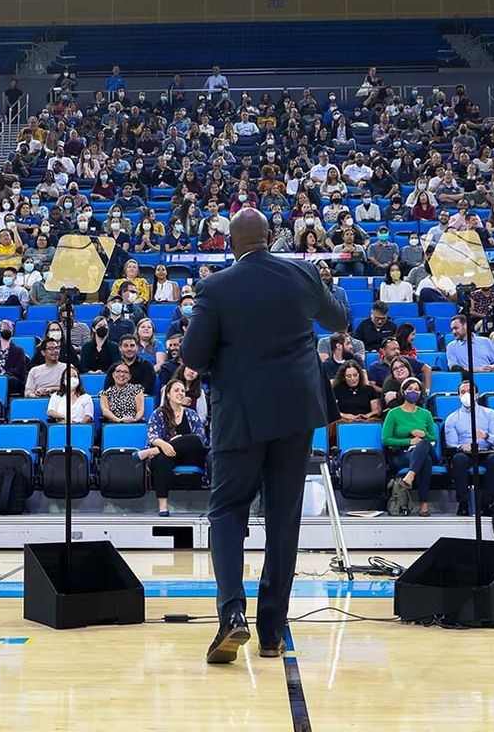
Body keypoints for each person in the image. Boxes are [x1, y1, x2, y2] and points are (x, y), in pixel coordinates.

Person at [181, 207, 346, 664]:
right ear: (271, 238)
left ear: (232, 244)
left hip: (240, 415)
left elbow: (193, 356)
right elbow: (338, 321)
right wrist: (328, 286)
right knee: (283, 519)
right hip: (296, 414)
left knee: (228, 513)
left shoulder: (215, 287)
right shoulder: (303, 274)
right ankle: (273, 631)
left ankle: (232, 616)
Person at [146, 378, 208, 516]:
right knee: (162, 459)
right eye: (176, 390)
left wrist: (174, 441)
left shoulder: (191, 414)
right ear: (168, 394)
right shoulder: (158, 413)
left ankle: (155, 451)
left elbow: (201, 439)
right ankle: (163, 506)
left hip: (189, 457)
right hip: (168, 456)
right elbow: (152, 436)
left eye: (182, 391)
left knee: (192, 439)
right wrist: (163, 445)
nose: (181, 393)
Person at [444, 381, 494, 516]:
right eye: (463, 392)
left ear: (477, 395)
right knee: (458, 459)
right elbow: (451, 444)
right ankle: (463, 503)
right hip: (465, 453)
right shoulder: (452, 418)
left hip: (486, 451)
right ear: (458, 396)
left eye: (470, 391)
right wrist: (461, 446)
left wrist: (486, 436)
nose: (466, 394)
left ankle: (485, 504)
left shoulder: (490, 414)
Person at [381, 377, 437, 518]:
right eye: (410, 389)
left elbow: (433, 438)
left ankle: (410, 476)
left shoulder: (426, 414)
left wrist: (424, 434)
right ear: (403, 391)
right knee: (426, 461)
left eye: (417, 390)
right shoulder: (393, 413)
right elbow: (386, 439)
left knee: (423, 443)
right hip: (402, 454)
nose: (414, 392)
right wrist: (409, 441)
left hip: (426, 449)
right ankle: (424, 504)